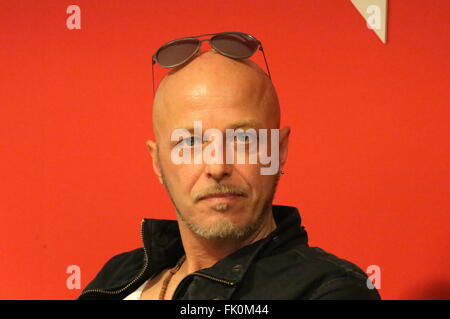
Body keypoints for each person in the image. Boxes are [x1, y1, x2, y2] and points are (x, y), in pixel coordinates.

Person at [78, 32, 381, 300]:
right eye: (191, 142)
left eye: (243, 139)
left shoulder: (329, 290)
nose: (217, 166)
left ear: (279, 150)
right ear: (157, 162)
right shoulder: (115, 277)